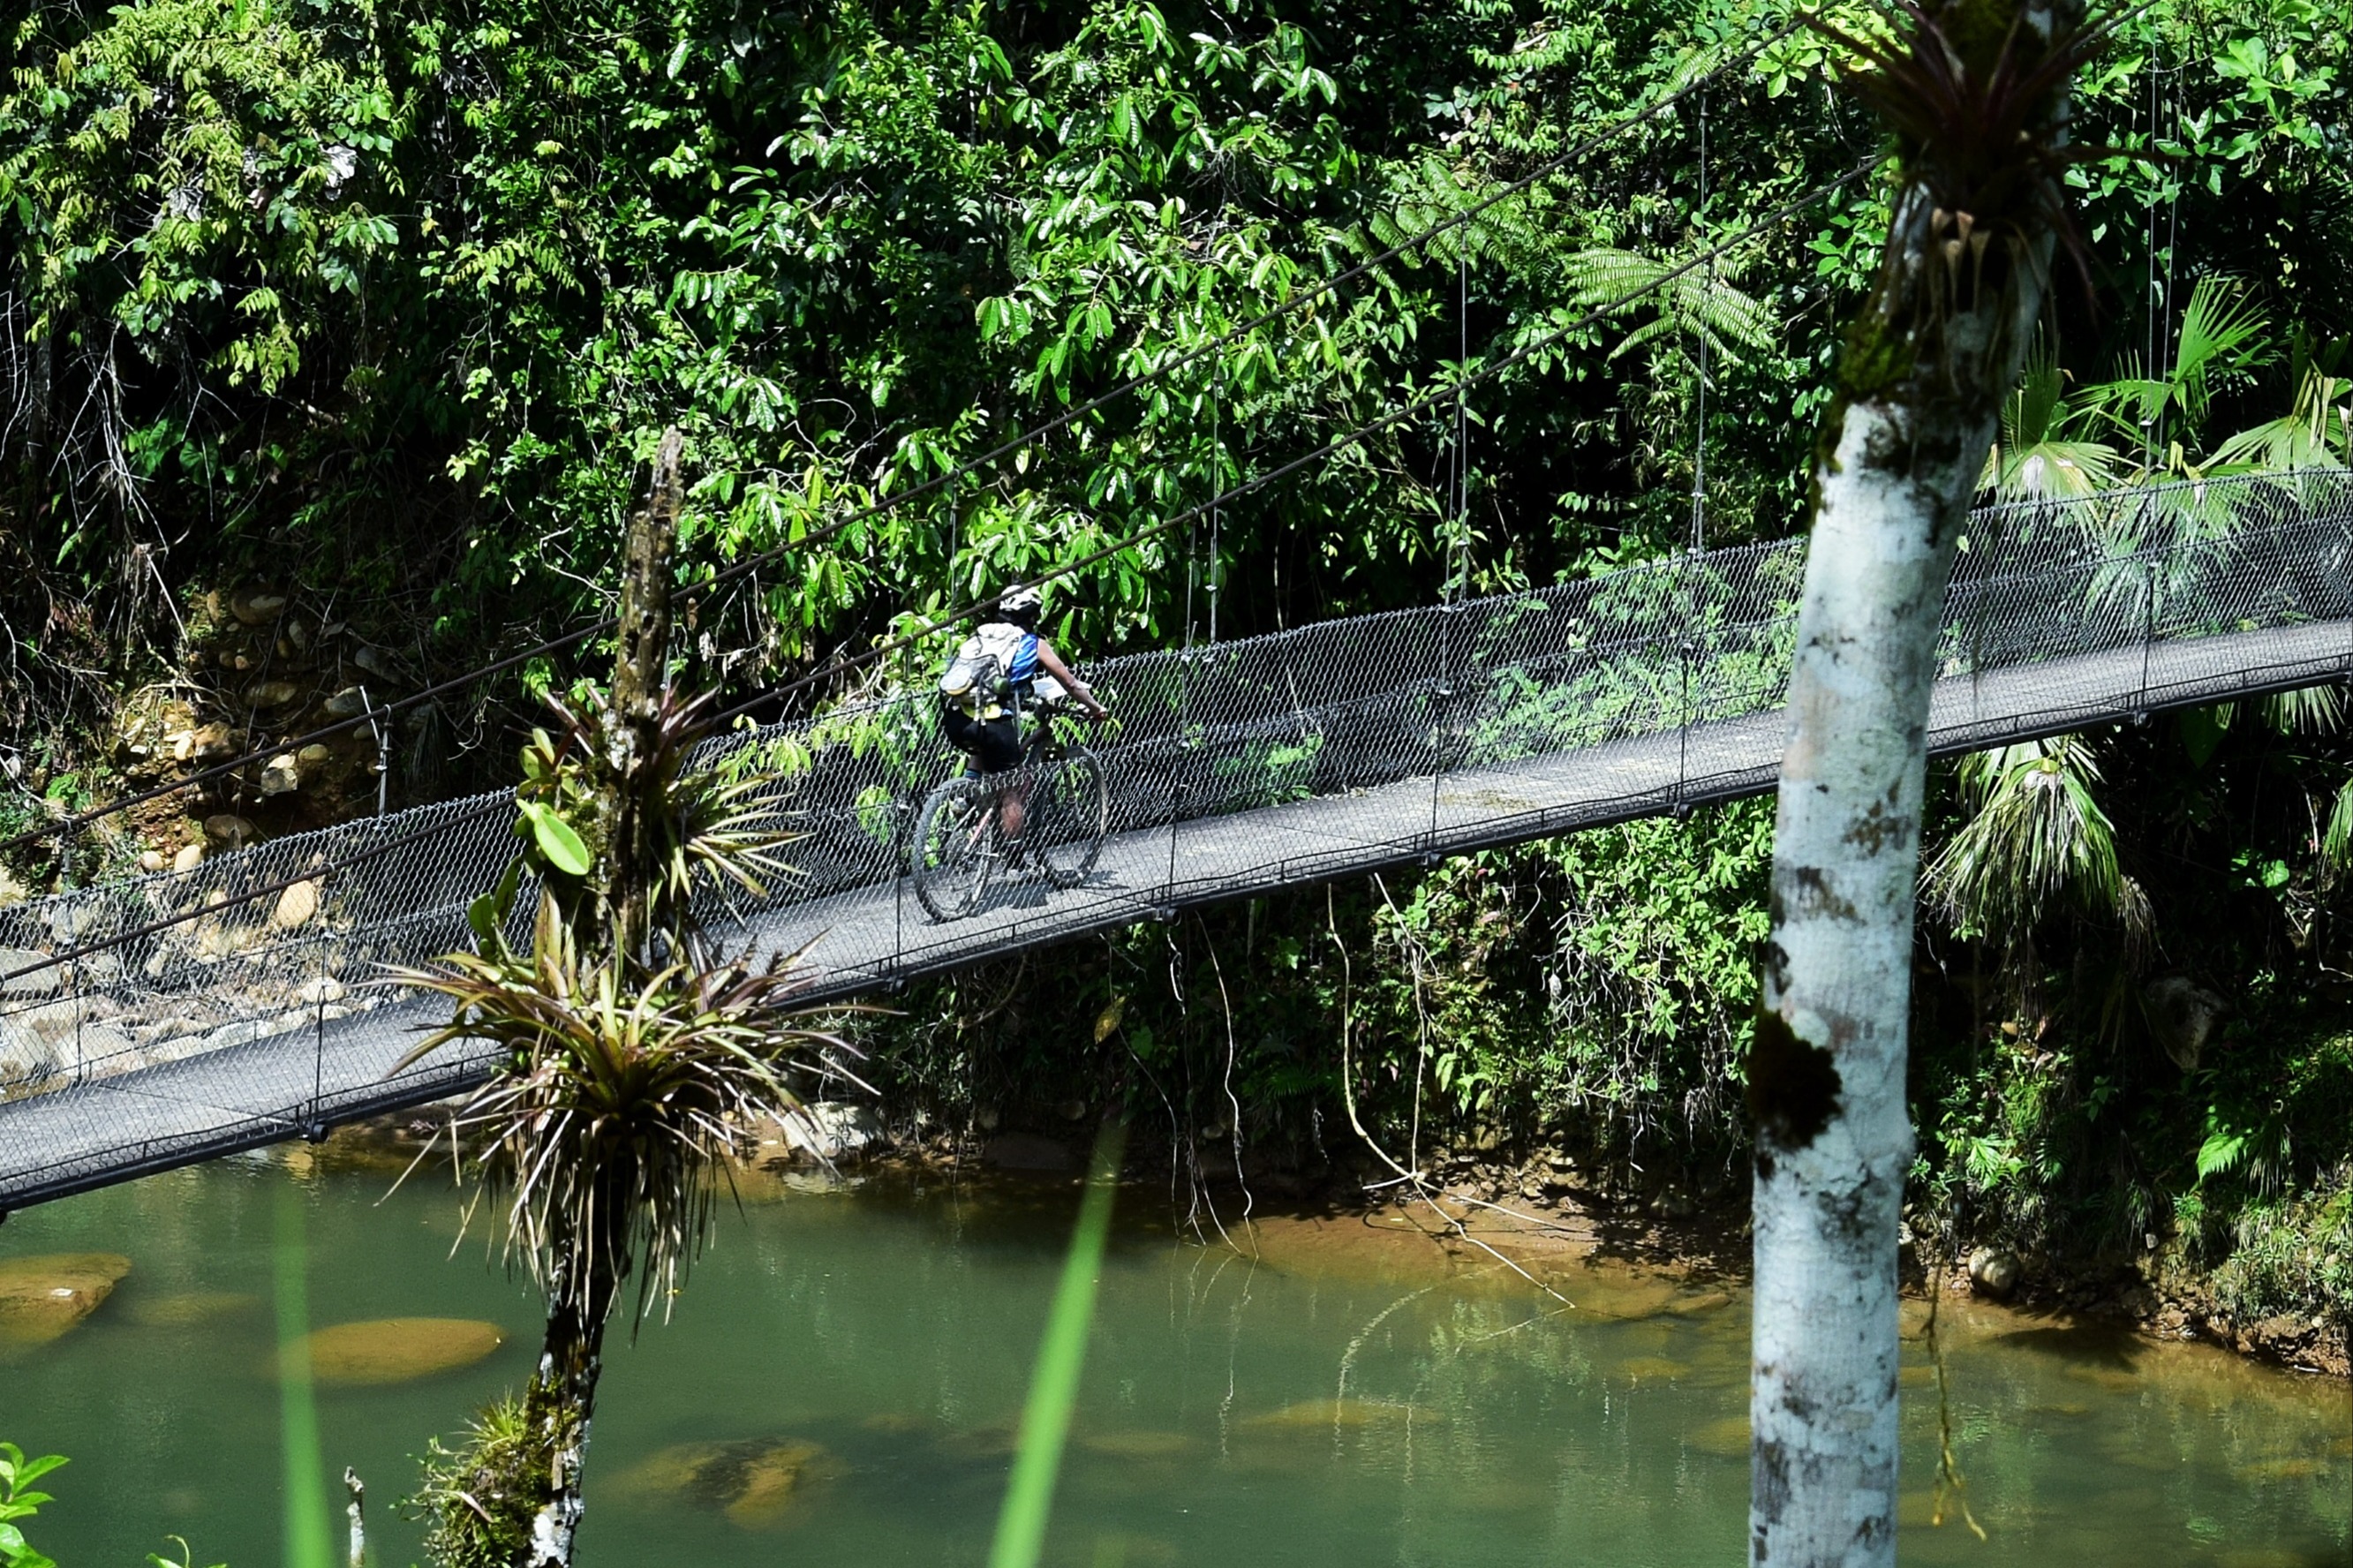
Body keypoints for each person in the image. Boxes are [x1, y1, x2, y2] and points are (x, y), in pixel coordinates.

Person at [939, 584, 1108, 844]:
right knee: (1012, 790)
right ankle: (1015, 855)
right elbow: (1071, 684)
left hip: (955, 719)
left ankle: (966, 795)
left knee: (982, 745)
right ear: (1033, 616)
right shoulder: (1033, 643)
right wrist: (1096, 709)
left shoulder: (979, 636)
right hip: (993, 723)